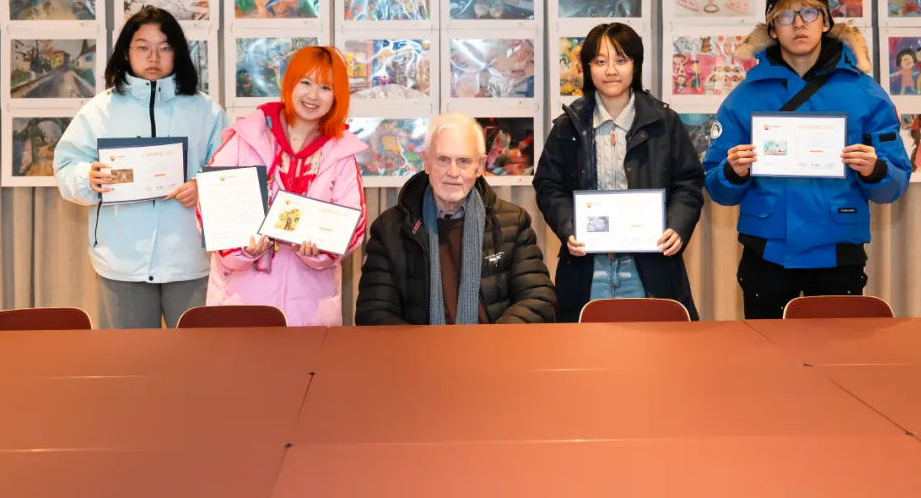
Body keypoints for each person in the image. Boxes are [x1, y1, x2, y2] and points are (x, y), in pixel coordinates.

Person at [703, 0, 911, 319]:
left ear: (826, 22)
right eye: (785, 16)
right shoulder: (744, 96)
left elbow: (895, 185)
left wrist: (876, 169)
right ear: (772, 30)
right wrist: (732, 172)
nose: (798, 23)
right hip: (766, 254)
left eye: (809, 13)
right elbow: (717, 188)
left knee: (838, 351)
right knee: (765, 352)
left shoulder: (865, 92)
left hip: (838, 254)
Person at [55, 7, 229, 329]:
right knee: (130, 358)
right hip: (122, 263)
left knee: (197, 355)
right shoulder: (99, 110)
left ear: (177, 53)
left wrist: (202, 187)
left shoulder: (206, 110)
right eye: (143, 47)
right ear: (126, 52)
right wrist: (87, 178)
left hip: (191, 261)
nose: (154, 57)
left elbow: (230, 170)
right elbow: (66, 165)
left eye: (164, 47)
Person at [533, 23, 705, 322]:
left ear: (635, 65)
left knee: (653, 346)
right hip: (588, 267)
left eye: (621, 60)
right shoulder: (568, 125)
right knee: (585, 348)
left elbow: (688, 182)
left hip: (650, 265)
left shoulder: (664, 122)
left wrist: (677, 225)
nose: (610, 70)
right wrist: (569, 226)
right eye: (600, 61)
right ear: (588, 67)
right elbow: (548, 185)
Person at [200, 46, 366, 327]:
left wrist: (320, 252)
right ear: (289, 83)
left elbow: (353, 226)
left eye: (325, 87)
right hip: (241, 303)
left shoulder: (341, 154)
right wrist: (242, 250)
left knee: (307, 359)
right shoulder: (247, 138)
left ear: (337, 96)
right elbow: (211, 206)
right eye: (306, 82)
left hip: (311, 310)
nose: (313, 95)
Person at [356, 113, 556, 325]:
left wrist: (494, 340)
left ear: (479, 166)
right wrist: (420, 345)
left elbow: (538, 299)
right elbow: (374, 311)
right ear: (427, 162)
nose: (453, 172)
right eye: (443, 159)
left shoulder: (513, 222)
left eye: (464, 161)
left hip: (494, 343)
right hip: (419, 346)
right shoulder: (390, 228)